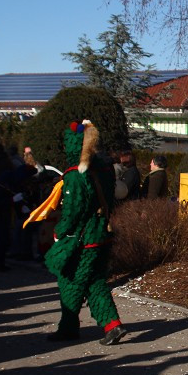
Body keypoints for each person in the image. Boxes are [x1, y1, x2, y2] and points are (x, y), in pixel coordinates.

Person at [44, 120, 127, 346]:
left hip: (82, 238)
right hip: (101, 233)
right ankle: (111, 325)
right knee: (94, 280)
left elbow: (73, 211)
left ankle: (71, 327)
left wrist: (59, 232)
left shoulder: (75, 174)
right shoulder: (105, 168)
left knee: (71, 280)